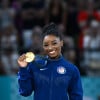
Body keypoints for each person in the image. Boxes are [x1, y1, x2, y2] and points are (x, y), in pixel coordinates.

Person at [17, 23, 83, 100]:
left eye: (54, 43)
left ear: (61, 43)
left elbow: (76, 97)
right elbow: (25, 92)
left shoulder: (71, 69)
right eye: (46, 45)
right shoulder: (34, 65)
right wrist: (23, 69)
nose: (50, 48)